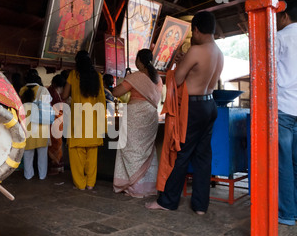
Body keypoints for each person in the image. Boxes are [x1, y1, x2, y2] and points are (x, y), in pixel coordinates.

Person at [146, 11, 224, 214]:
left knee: (181, 153)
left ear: (196, 30)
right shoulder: (218, 53)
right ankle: (200, 206)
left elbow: (178, 79)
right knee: (203, 156)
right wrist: (185, 61)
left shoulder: (196, 51)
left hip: (193, 107)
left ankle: (168, 201)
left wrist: (179, 62)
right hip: (209, 104)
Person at [112, 49, 163, 198]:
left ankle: (133, 186)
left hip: (135, 115)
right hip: (151, 115)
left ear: (139, 61)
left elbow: (116, 92)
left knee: (130, 150)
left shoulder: (135, 77)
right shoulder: (158, 79)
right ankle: (146, 187)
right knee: (146, 151)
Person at [62, 50, 106, 190]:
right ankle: (90, 184)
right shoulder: (98, 76)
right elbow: (102, 100)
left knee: (76, 154)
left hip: (78, 121)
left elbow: (64, 95)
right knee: (92, 154)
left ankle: (80, 184)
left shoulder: (73, 75)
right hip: (93, 121)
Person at [276, 0, 297, 226]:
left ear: (285, 15)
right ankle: (295, 209)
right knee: (296, 163)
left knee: (284, 164)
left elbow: (267, 73)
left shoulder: (280, 38)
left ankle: (287, 213)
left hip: (283, 109)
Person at [19, 70, 50, 180]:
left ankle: (28, 175)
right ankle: (42, 176)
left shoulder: (22, 90)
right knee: (42, 155)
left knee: (28, 154)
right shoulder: (43, 90)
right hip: (41, 126)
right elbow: (47, 107)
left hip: (27, 126)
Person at [47, 74, 66, 175]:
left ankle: (58, 166)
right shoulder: (51, 92)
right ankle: (55, 167)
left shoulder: (53, 91)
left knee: (57, 144)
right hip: (53, 121)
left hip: (58, 121)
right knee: (54, 144)